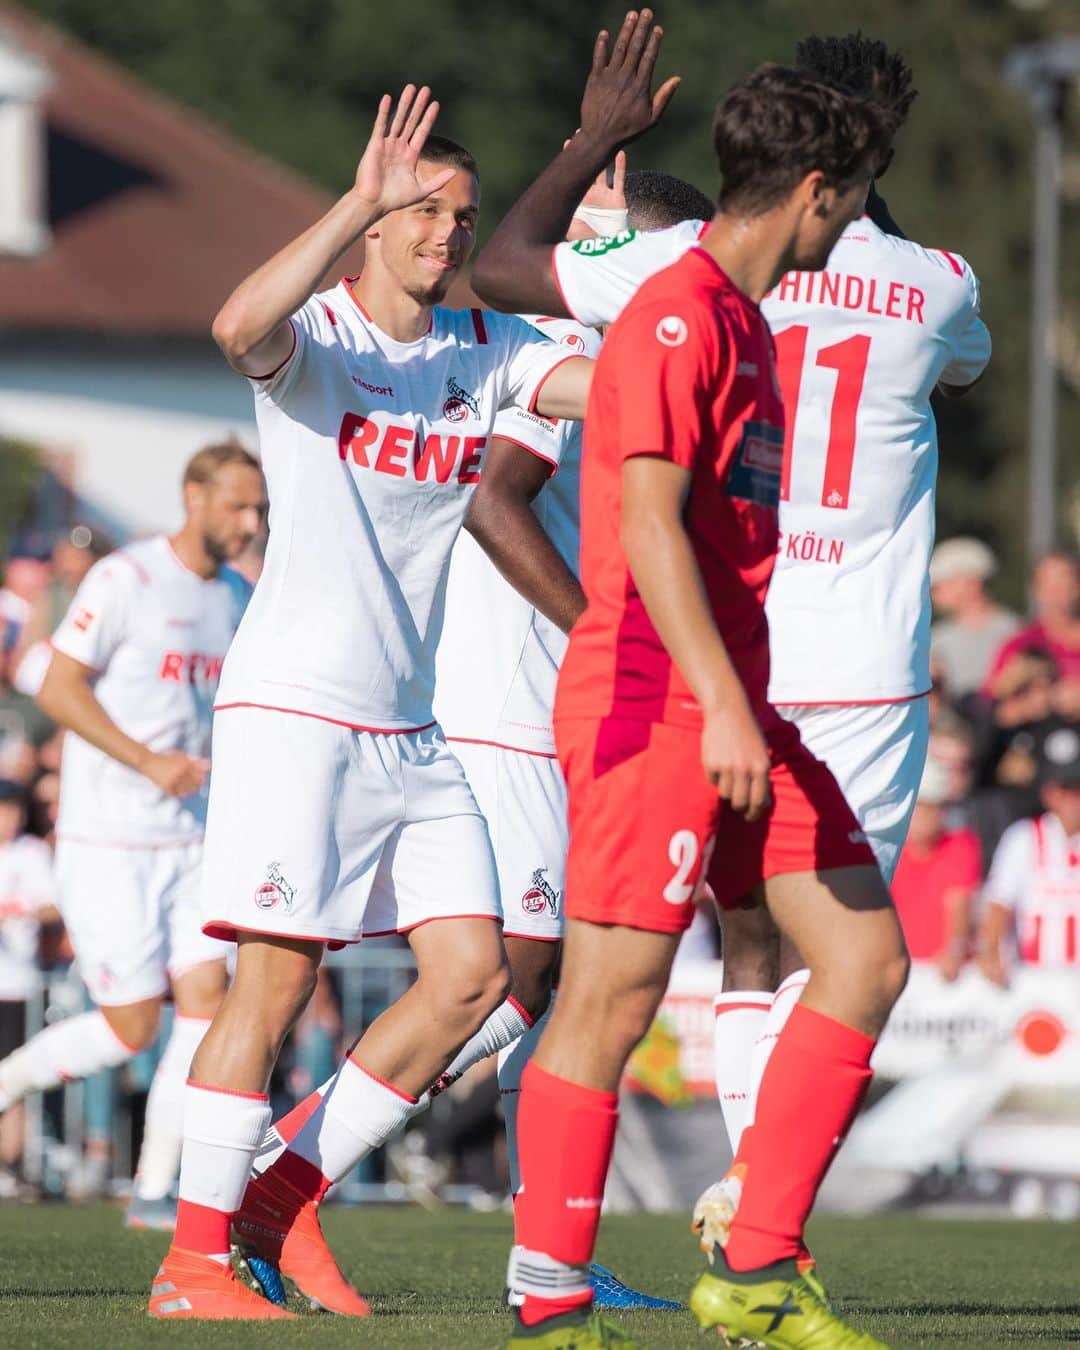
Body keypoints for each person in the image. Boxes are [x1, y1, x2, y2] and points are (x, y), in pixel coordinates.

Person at [473, 20, 990, 1254]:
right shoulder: (928, 284)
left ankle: (747, 1241)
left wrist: (594, 146)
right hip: (794, 669)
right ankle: (651, 1251)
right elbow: (648, 506)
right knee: (681, 979)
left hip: (737, 658)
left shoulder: (678, 268)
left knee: (768, 950)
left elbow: (504, 272)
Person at [148, 86, 592, 1321]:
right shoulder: (325, 337)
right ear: (379, 226)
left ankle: (278, 1203)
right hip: (294, 712)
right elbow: (237, 326)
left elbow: (597, 394)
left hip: (409, 726)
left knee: (476, 977)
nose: (448, 233)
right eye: (425, 211)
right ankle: (190, 1268)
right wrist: (354, 192)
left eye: (461, 214)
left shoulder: (485, 350)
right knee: (274, 989)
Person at [0, 440, 265, 1229]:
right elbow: (57, 683)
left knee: (205, 1002)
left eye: (259, 509)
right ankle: (9, 1080)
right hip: (106, 839)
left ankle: (156, 1189)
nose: (249, 523)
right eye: (236, 506)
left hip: (192, 838)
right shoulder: (128, 578)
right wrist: (147, 760)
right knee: (131, 1025)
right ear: (193, 497)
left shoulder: (236, 598)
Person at [977, 724, 1080, 983]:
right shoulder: (1023, 838)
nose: (1073, 799)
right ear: (1048, 793)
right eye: (1065, 788)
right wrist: (990, 950)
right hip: (1031, 984)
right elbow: (999, 901)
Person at [0, 778, 58, 1196]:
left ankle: (10, 1164)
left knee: (12, 1076)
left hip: (17, 983)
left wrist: (21, 916)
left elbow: (54, 904)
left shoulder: (33, 853)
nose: (12, 817)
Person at [890, 757, 982, 980]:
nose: (927, 816)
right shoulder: (889, 849)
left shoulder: (961, 845)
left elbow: (959, 903)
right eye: (921, 806)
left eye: (935, 807)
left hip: (940, 977)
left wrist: (955, 949)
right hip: (897, 970)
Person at [929, 537, 1019, 704]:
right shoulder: (937, 638)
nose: (933, 594)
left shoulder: (1013, 632)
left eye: (940, 586)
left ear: (972, 583)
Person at [984, 551, 1080, 695]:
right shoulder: (1020, 644)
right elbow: (991, 699)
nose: (1059, 590)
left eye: (1066, 581)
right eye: (1050, 584)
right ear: (1036, 590)